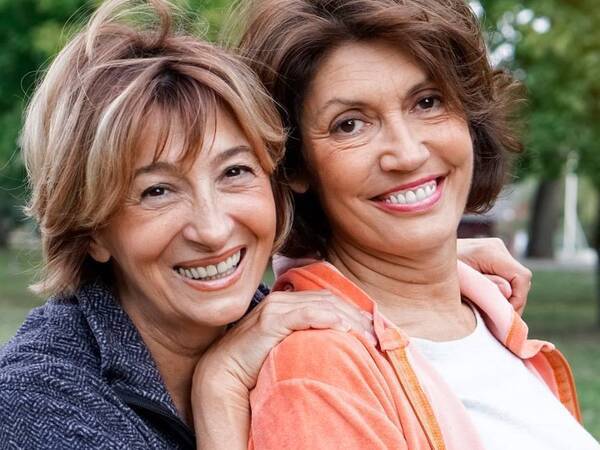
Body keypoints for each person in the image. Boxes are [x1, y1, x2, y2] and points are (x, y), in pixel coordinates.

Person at [0, 0, 533, 448]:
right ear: (89, 227)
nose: (212, 229)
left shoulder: (266, 319)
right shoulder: (41, 401)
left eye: (234, 172)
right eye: (156, 191)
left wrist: (431, 266)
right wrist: (220, 389)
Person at [231, 0, 600, 449]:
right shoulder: (319, 371)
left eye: (427, 102)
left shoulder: (488, 318)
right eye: (350, 125)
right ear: (295, 165)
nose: (406, 153)